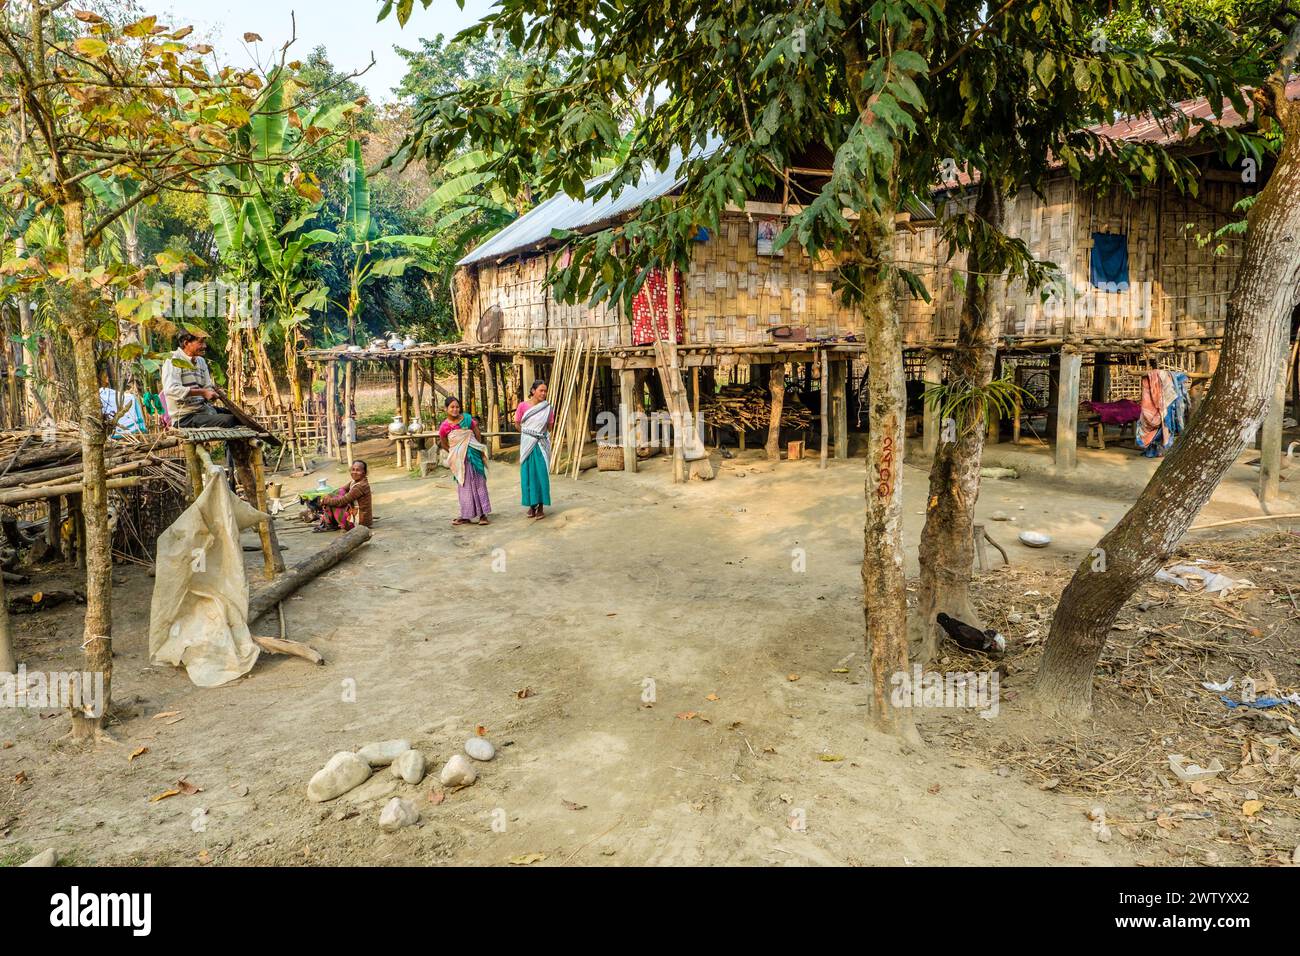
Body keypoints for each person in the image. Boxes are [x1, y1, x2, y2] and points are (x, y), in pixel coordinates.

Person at [161, 330, 240, 428]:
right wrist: (202, 392)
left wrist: (213, 395)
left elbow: (208, 388)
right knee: (229, 420)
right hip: (184, 418)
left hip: (203, 411)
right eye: (201, 342)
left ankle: (231, 443)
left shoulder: (201, 361)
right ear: (186, 343)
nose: (205, 346)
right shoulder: (173, 360)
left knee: (238, 417)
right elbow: (171, 389)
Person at [438, 398, 491, 526]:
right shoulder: (444, 426)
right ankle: (466, 515)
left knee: (479, 483)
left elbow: (477, 435)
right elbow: (445, 443)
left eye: (457, 407)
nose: (455, 409)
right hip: (459, 461)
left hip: (474, 456)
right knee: (464, 486)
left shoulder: (468, 420)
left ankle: (483, 515)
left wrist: (474, 447)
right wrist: (457, 453)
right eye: (452, 407)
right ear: (446, 409)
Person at [515, 380, 553, 520]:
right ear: (533, 391)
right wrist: (528, 435)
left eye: (545, 391)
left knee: (541, 474)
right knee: (528, 474)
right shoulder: (522, 406)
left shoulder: (548, 408)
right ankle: (532, 506)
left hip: (541, 444)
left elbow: (549, 426)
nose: (543, 393)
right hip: (527, 444)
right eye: (541, 390)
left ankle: (541, 506)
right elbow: (518, 424)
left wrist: (539, 436)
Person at [313, 460, 373, 532]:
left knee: (332, 502)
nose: (354, 472)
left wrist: (325, 500)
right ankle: (331, 523)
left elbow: (341, 502)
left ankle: (330, 525)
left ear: (364, 472)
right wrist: (328, 496)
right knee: (334, 495)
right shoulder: (354, 482)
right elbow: (341, 489)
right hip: (357, 515)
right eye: (353, 469)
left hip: (360, 523)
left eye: (358, 470)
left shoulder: (360, 486)